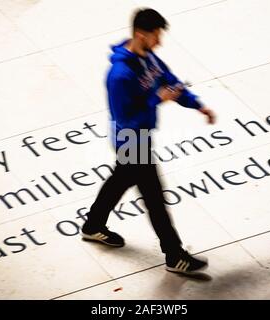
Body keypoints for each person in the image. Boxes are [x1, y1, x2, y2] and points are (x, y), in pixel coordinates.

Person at [81, 8, 216, 275]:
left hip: (141, 137)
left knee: (119, 181)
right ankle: (174, 255)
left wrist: (197, 105)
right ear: (141, 35)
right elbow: (125, 118)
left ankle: (93, 226)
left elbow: (170, 82)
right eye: (156, 36)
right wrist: (157, 99)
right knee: (154, 197)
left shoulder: (150, 58)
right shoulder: (119, 75)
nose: (160, 42)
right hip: (130, 139)